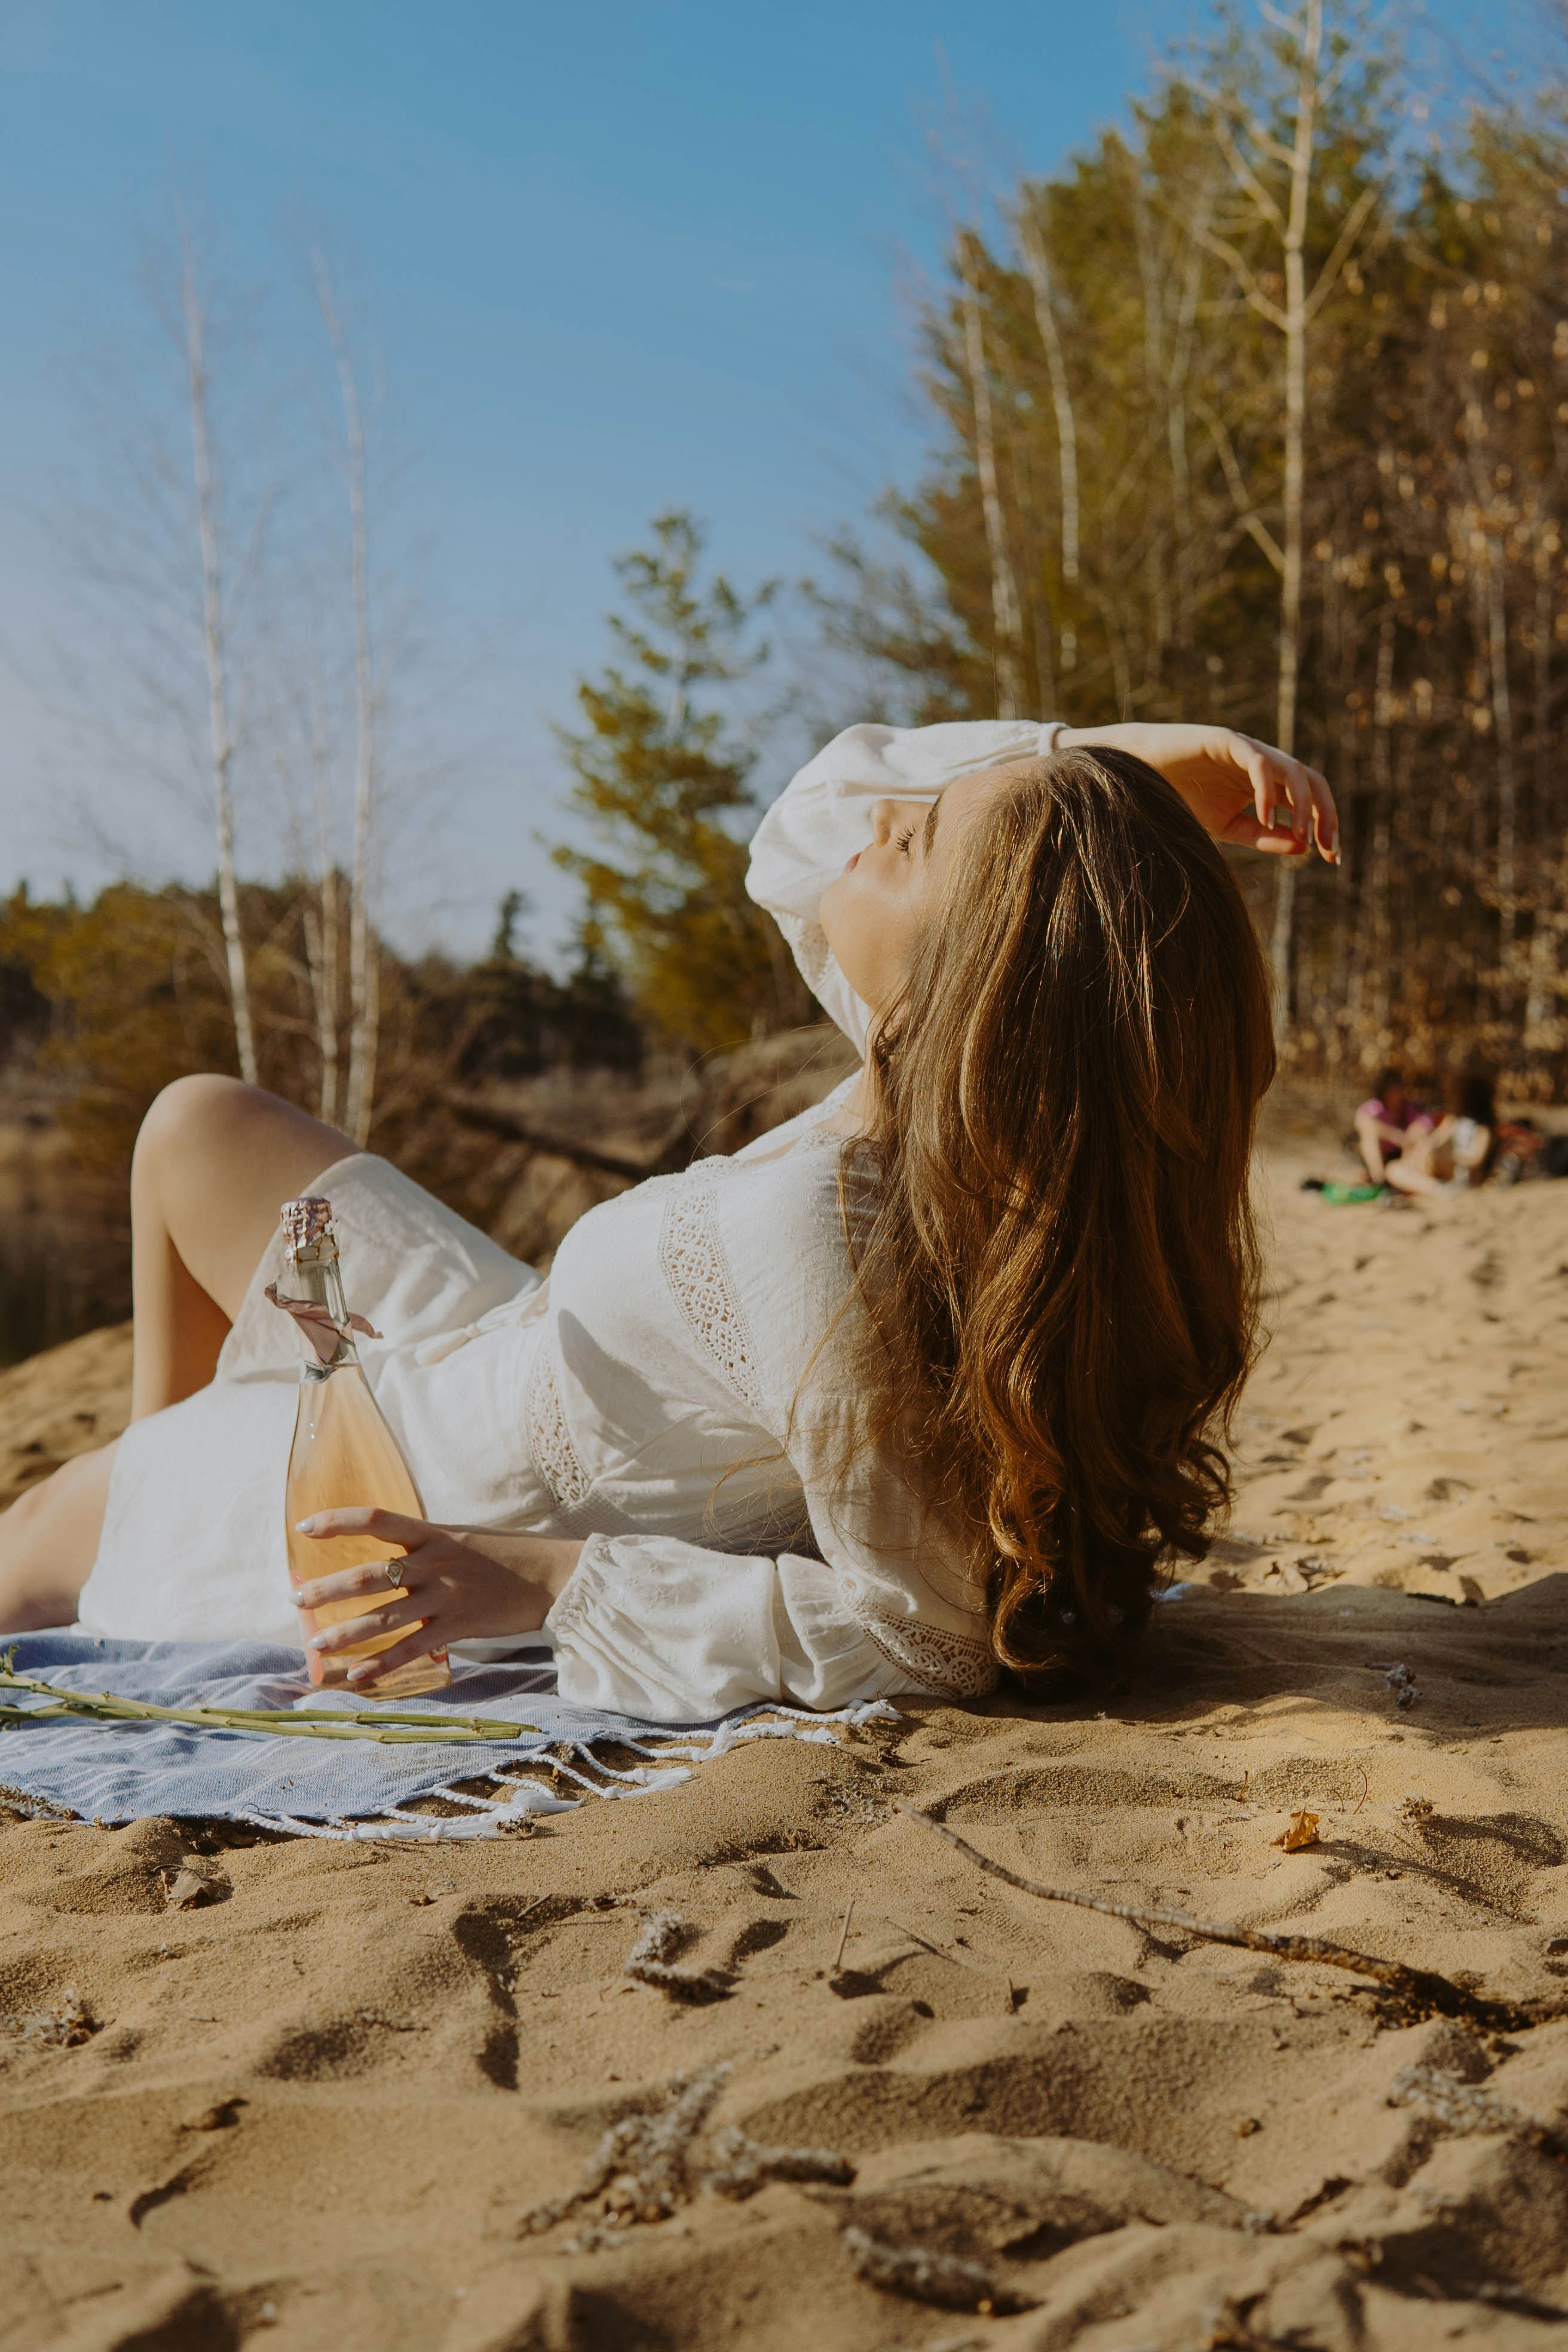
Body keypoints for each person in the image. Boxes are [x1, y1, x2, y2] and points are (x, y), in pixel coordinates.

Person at [0, 721, 1335, 1719]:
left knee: (47, 1532)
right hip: (500, 1336)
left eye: (916, 837)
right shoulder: (926, 1097)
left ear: (972, 989)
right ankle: (160, 1464)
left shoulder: (821, 1233)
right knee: (200, 1129)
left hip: (437, 1466)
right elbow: (806, 827)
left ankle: (150, 1513)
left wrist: (552, 1584)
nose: (877, 820)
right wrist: (1110, 762)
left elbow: (927, 1635)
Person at [1384, 1071, 1497, 1198]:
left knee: (1401, 1167)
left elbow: (1476, 1160)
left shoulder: (1482, 1129)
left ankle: (1437, 1189)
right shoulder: (1451, 1121)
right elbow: (1433, 1142)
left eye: (1457, 1094)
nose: (1453, 1098)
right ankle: (1438, 1189)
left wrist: (1450, 1156)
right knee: (1393, 1169)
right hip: (1437, 1171)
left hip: (1460, 1172)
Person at [1353, 1068, 1434, 1184]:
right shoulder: (1375, 1108)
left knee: (1421, 1143)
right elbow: (1362, 1122)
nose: (1398, 1093)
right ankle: (1379, 1180)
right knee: (1369, 1136)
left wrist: (1413, 1134)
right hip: (1382, 1156)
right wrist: (1394, 1136)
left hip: (1404, 1156)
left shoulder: (1409, 1108)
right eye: (1394, 1089)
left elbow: (1425, 1124)